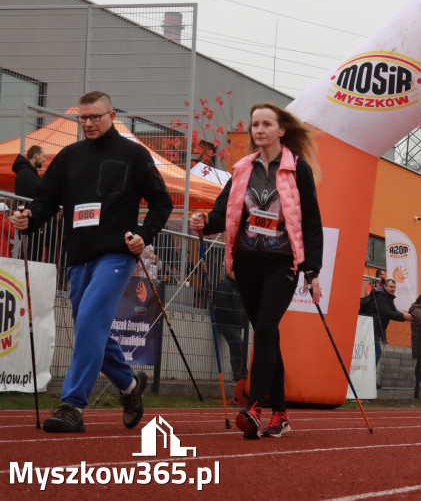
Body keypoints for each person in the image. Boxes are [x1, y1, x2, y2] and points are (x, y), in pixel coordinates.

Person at [10, 91, 171, 433]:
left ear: (111, 115)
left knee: (91, 320)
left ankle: (72, 405)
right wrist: (29, 219)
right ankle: (130, 388)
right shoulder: (69, 156)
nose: (89, 123)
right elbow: (45, 200)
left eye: (96, 116)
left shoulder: (133, 154)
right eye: (83, 118)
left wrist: (145, 233)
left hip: (116, 255)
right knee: (90, 326)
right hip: (79, 257)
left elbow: (161, 201)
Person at [189, 101, 323, 439]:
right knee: (268, 336)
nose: (259, 130)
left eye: (266, 124)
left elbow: (311, 222)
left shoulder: (297, 169)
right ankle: (281, 414)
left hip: (282, 263)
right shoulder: (241, 169)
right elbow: (223, 213)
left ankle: (255, 405)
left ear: (281, 131)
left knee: (264, 328)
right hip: (246, 262)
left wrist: (312, 270)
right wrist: (205, 223)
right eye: (255, 125)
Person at [359, 278, 412, 365]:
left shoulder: (388, 297)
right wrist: (402, 316)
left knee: (373, 353)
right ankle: (371, 374)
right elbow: (386, 313)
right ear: (385, 286)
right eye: (391, 287)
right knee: (376, 353)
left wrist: (404, 317)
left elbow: (393, 311)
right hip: (371, 329)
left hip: (375, 329)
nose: (393, 289)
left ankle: (370, 374)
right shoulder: (380, 296)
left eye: (394, 287)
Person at [212, 270, 249, 390]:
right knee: (238, 344)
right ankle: (239, 373)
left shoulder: (240, 288)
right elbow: (221, 305)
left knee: (240, 346)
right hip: (226, 323)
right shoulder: (224, 286)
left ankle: (241, 373)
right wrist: (234, 316)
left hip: (237, 324)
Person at [12, 144, 45, 259]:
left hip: (30, 219)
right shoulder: (26, 173)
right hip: (29, 220)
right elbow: (40, 192)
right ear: (36, 156)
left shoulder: (27, 173)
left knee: (31, 253)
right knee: (30, 254)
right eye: (42, 156)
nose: (44, 159)